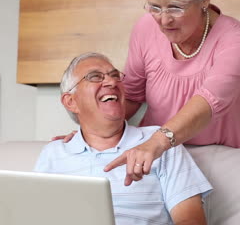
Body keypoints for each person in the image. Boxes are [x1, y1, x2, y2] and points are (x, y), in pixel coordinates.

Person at [55, 0, 240, 186]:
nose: (163, 20)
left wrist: (157, 142)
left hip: (215, 154)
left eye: (176, 7)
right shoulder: (145, 28)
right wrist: (88, 133)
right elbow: (131, 96)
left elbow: (209, 101)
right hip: (157, 156)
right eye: (155, 7)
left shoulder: (235, 38)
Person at [35, 52, 212, 225]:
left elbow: (191, 220)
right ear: (70, 102)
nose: (112, 82)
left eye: (115, 76)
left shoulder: (161, 142)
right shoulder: (54, 153)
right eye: (95, 77)